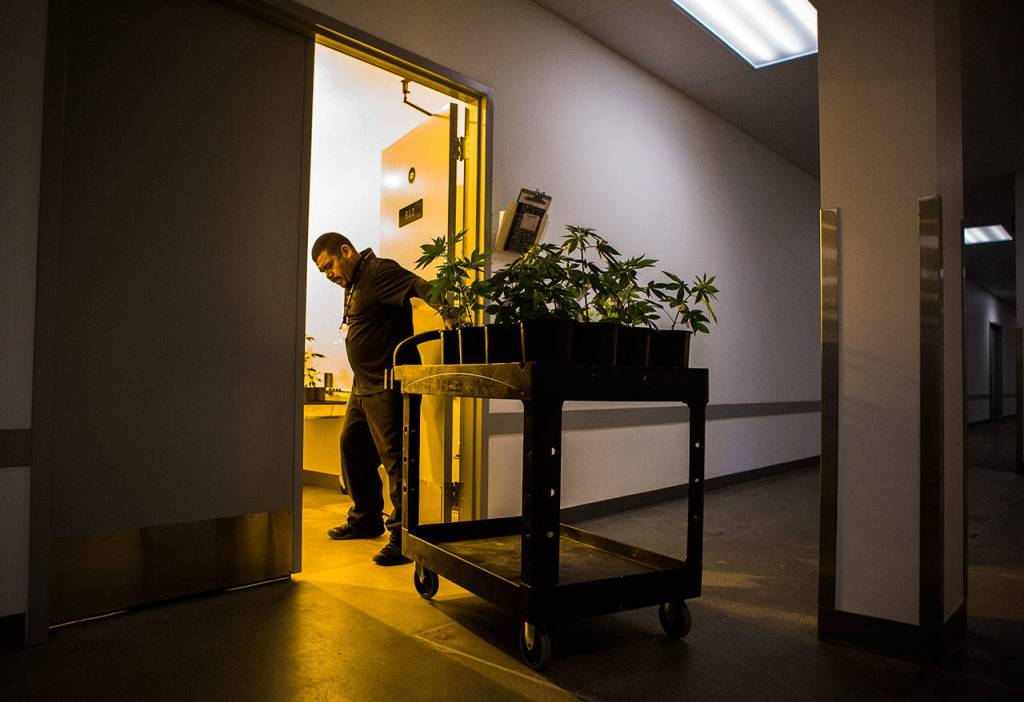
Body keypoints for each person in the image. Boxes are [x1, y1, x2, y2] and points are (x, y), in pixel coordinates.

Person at [311, 232, 432, 566]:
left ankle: (404, 537)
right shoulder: (354, 281)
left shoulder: (379, 271)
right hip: (363, 386)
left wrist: (455, 314)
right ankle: (366, 518)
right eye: (323, 272)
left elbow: (422, 287)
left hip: (388, 383)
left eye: (329, 266)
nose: (329, 274)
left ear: (346, 251)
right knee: (352, 447)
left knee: (396, 459)